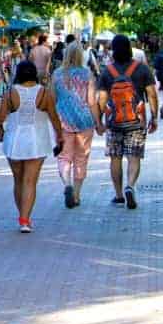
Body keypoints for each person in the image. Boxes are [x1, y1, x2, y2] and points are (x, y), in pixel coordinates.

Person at [97, 34, 158, 210]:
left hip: (114, 122)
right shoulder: (142, 69)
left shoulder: (108, 71)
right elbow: (152, 94)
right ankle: (130, 185)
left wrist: (100, 121)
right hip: (136, 121)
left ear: (113, 50)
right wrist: (154, 116)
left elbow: (102, 98)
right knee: (134, 157)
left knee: (115, 158)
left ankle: (118, 195)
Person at [0, 61, 60, 232]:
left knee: (18, 180)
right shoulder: (44, 93)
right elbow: (54, 118)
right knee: (30, 181)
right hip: (37, 142)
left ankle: (22, 216)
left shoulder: (9, 93)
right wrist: (60, 137)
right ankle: (25, 219)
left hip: (14, 141)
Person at [53, 42, 102, 209]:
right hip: (84, 121)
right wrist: (98, 123)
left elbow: (52, 100)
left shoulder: (57, 74)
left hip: (63, 121)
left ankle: (67, 184)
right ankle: (76, 194)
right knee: (81, 157)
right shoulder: (87, 74)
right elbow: (91, 102)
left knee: (64, 157)